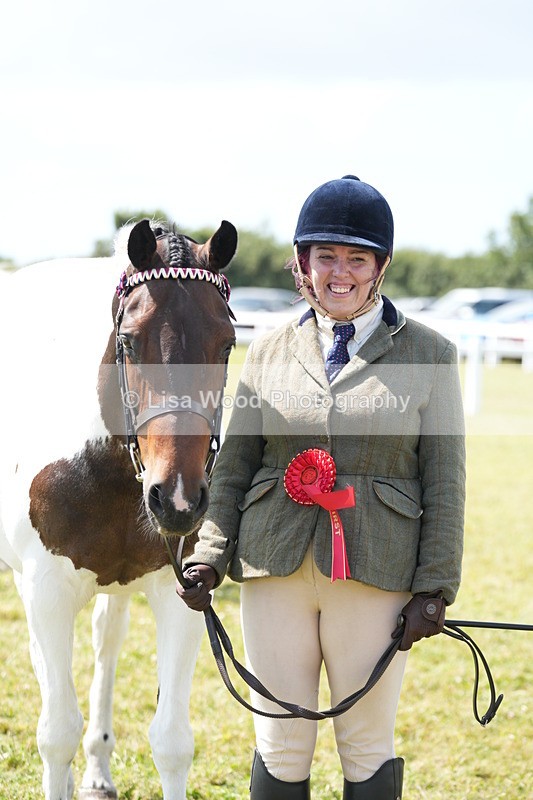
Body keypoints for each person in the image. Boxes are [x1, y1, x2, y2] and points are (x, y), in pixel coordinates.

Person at [177, 175, 466, 799]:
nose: (340, 273)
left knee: (365, 745)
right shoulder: (269, 348)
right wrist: (207, 554)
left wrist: (436, 586)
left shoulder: (433, 355)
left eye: (357, 259)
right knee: (280, 742)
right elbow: (234, 468)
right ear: (303, 263)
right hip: (274, 565)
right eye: (325, 256)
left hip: (377, 572)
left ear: (380, 267)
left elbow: (446, 483)